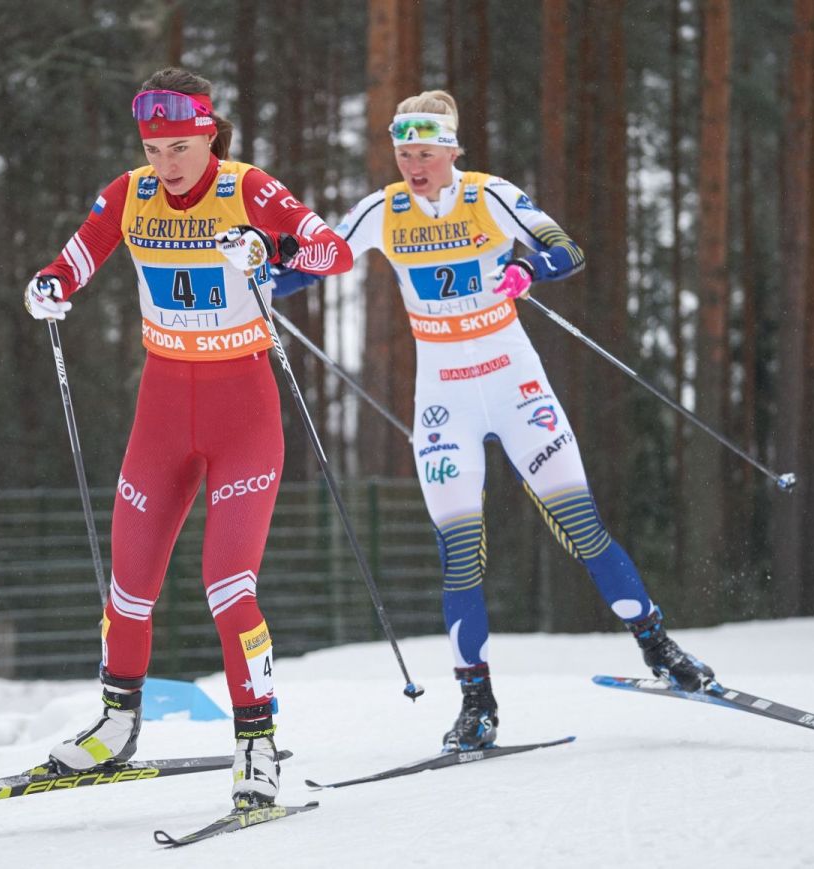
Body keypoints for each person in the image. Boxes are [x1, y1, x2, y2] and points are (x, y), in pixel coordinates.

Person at [273, 89, 714, 751]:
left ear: (452, 151)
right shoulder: (382, 210)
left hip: (516, 386)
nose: (414, 166)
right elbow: (320, 262)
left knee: (583, 528)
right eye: (404, 154)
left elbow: (567, 250)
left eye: (426, 153)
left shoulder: (490, 195)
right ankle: (476, 705)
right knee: (459, 559)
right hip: (443, 401)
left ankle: (659, 646)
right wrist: (259, 272)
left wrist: (526, 268)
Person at [23, 67, 352, 808]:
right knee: (129, 584)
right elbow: (78, 255)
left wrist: (271, 253)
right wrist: (49, 286)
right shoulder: (130, 193)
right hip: (163, 410)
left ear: (209, 136)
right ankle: (116, 723)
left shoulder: (247, 187)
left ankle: (256, 741)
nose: (165, 163)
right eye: (152, 148)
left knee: (228, 585)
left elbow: (335, 252)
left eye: (178, 147)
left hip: (243, 415)